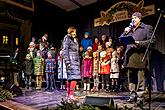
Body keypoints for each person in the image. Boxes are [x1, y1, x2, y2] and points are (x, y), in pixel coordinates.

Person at [120, 12, 154, 100]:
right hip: (130, 56)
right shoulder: (130, 29)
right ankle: (132, 94)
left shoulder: (146, 28)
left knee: (140, 78)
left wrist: (139, 43)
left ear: (139, 18)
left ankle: (140, 96)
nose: (133, 19)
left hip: (140, 56)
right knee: (131, 77)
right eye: (132, 18)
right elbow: (121, 39)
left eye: (135, 17)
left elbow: (152, 42)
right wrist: (125, 31)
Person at [62, 26, 81, 100]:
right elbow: (65, 50)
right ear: (70, 32)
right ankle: (70, 94)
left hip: (75, 60)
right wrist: (67, 61)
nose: (75, 33)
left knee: (71, 77)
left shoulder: (75, 40)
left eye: (75, 32)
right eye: (73, 32)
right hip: (71, 60)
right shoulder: (67, 39)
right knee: (74, 77)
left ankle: (69, 94)